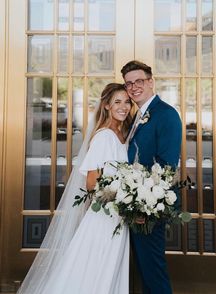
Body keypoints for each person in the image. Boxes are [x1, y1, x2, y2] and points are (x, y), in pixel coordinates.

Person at [17, 83, 134, 294]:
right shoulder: (104, 137)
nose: (123, 107)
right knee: (96, 268)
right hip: (105, 218)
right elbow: (91, 182)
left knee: (109, 267)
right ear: (106, 106)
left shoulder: (122, 135)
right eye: (117, 102)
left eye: (127, 102)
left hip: (118, 217)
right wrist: (122, 198)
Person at [121, 60, 182, 294]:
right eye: (129, 84)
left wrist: (143, 208)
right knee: (146, 270)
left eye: (139, 81)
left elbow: (167, 166)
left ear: (151, 82)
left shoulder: (165, 114)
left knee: (153, 271)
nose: (134, 87)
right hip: (136, 204)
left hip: (148, 208)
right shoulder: (138, 115)